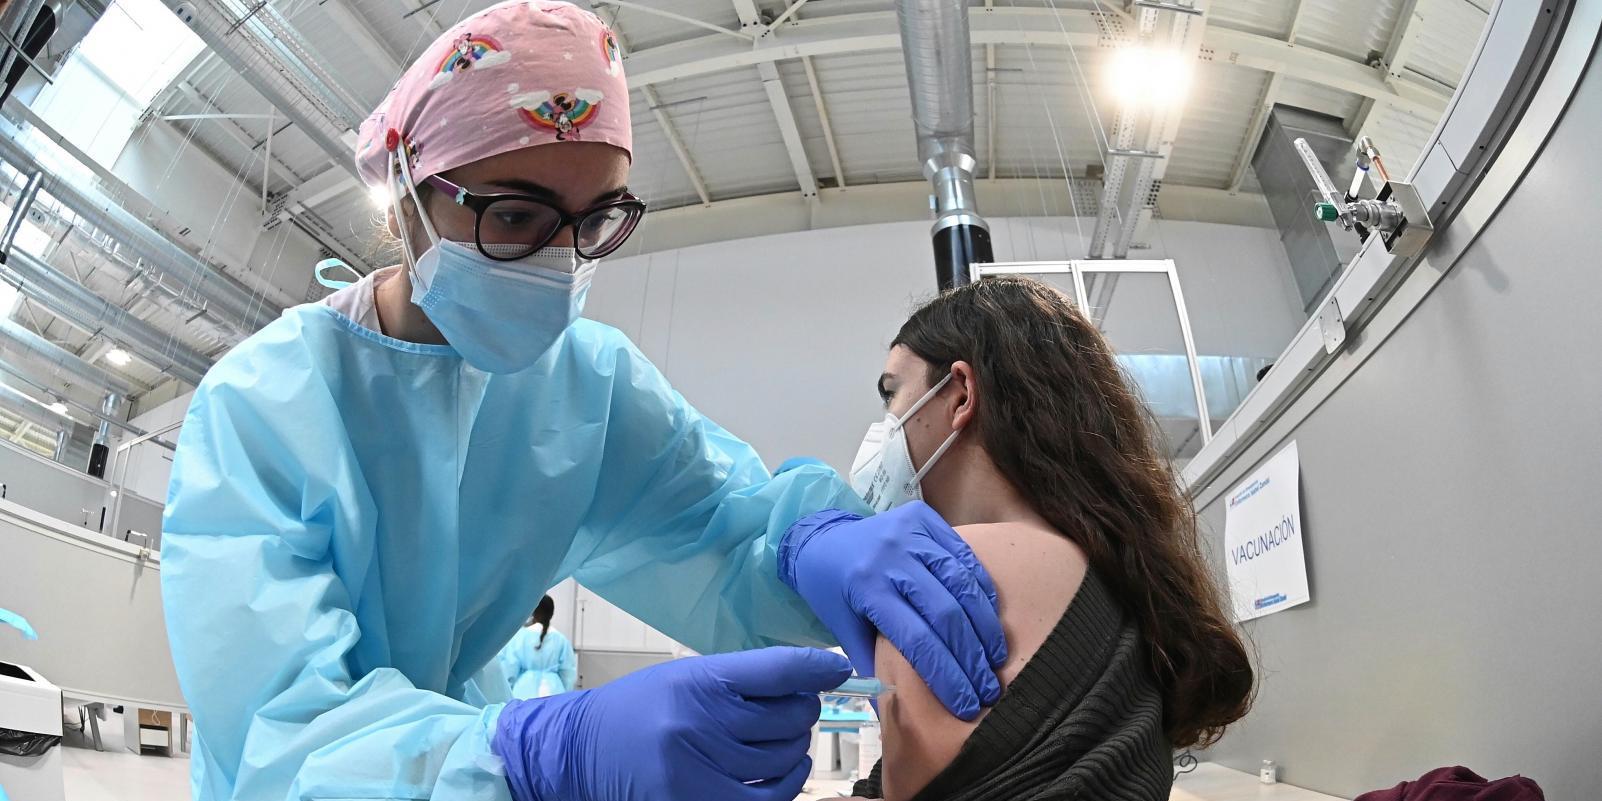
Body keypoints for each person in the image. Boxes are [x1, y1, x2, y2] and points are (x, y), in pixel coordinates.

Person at [158, 4, 1008, 800]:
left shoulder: (586, 385)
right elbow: (287, 737)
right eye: (518, 216)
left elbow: (720, 528)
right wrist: (532, 755)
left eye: (595, 220)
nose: (559, 263)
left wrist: (809, 543)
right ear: (409, 193)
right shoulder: (263, 410)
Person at [846, 277, 1256, 801]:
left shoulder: (949, 574)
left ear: (960, 394)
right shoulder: (1120, 575)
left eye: (893, 393)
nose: (886, 424)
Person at [498, 596, 577, 699]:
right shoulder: (560, 639)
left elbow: (510, 669)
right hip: (555, 693)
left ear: (532, 611)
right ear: (551, 614)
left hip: (523, 692)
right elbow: (568, 674)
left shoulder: (519, 637)